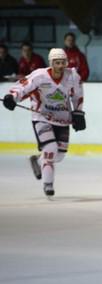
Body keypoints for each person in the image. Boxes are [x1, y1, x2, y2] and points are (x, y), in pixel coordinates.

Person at [2, 48, 86, 197]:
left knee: (59, 156)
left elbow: (77, 95)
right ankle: (48, 184)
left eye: (63, 62)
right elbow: (23, 85)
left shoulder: (72, 76)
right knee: (51, 148)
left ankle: (38, 161)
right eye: (57, 62)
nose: (60, 66)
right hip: (41, 117)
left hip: (62, 119)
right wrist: (12, 96)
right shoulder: (40, 75)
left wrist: (78, 113)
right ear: (51, 63)